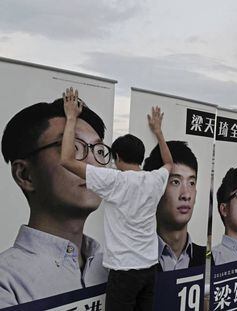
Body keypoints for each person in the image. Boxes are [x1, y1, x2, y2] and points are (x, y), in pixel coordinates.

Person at [60, 88, 173, 311]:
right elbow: (169, 163)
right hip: (150, 269)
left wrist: (71, 117)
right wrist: (158, 132)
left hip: (124, 273)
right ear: (141, 158)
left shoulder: (114, 181)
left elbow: (66, 160)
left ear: (117, 157)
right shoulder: (154, 180)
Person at [0, 95, 109, 307]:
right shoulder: (7, 284)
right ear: (25, 175)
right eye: (72, 147)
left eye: (99, 151)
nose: (91, 165)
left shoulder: (113, 270)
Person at [143, 140, 206, 271]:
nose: (186, 195)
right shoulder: (136, 261)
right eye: (175, 182)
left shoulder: (207, 258)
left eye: (192, 183)